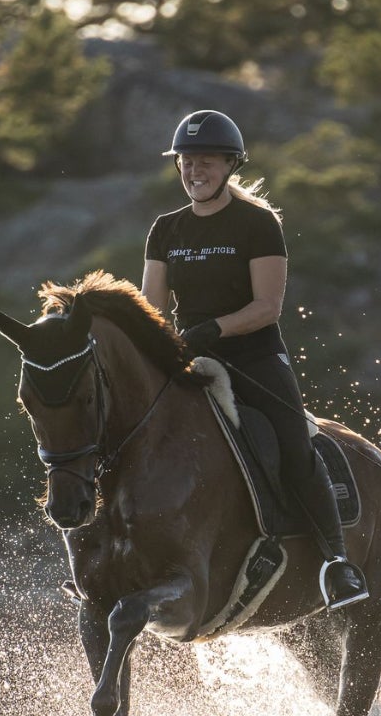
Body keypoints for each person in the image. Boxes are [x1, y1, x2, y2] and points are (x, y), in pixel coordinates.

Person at [142, 108, 369, 611]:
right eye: (186, 162)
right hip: (187, 356)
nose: (194, 172)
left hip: (254, 355)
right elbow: (152, 306)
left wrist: (209, 329)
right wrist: (156, 344)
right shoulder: (165, 229)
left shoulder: (257, 224)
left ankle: (337, 563)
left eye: (205, 162)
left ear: (229, 166)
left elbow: (267, 307)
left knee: (294, 445)